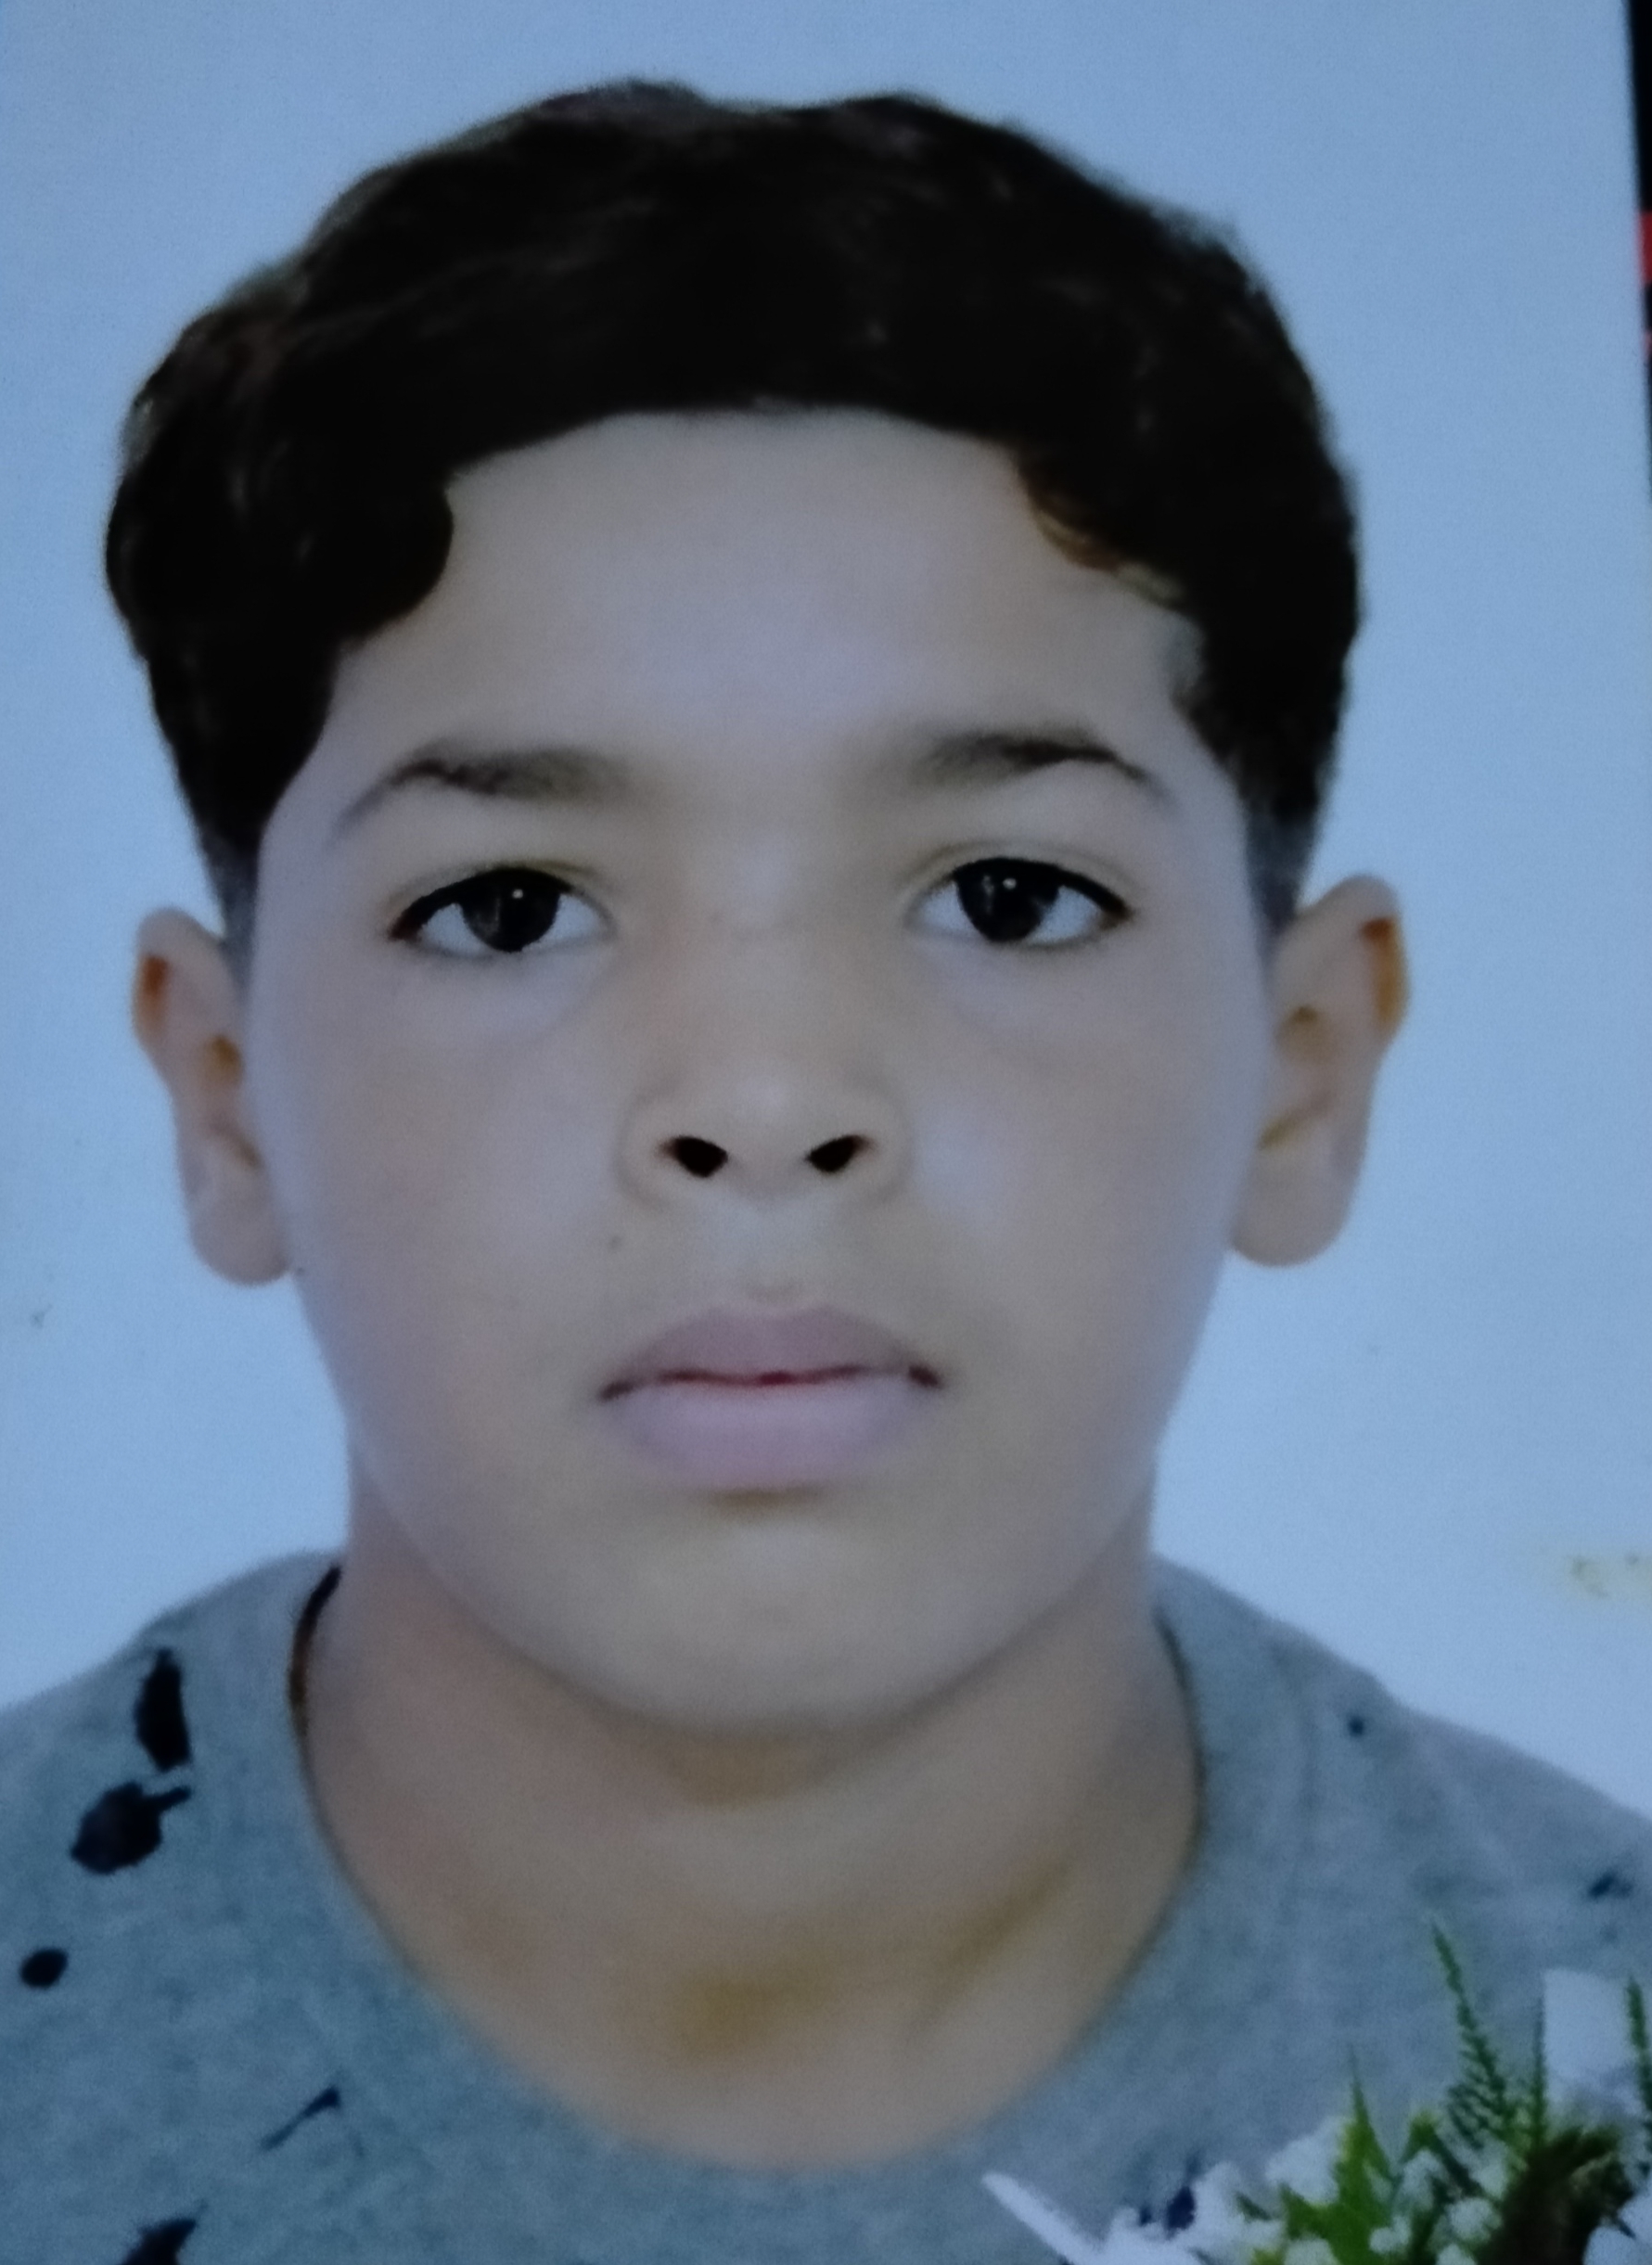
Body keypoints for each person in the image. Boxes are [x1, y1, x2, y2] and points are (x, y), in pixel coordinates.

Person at [4, 81, 1648, 2265]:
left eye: (1004, 895)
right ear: (226, 1102)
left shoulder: (1608, 2081)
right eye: (509, 908)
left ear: (1302, 1074)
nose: (766, 1098)